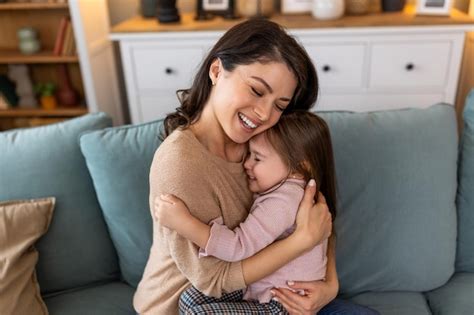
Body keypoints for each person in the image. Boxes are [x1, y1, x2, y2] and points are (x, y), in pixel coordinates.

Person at [134, 18, 377, 315]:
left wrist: (329, 286)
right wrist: (302, 241)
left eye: (279, 105)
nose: (264, 114)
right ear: (216, 71)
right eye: (257, 91)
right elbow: (214, 279)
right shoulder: (180, 163)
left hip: (262, 294)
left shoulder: (268, 142)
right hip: (190, 304)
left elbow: (316, 218)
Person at [155, 111, 341, 314]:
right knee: (190, 297)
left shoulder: (285, 201)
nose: (247, 164)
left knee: (197, 312)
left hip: (282, 304)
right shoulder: (285, 189)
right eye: (248, 154)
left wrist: (182, 222)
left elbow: (238, 247)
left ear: (298, 167)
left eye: (257, 158)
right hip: (260, 289)